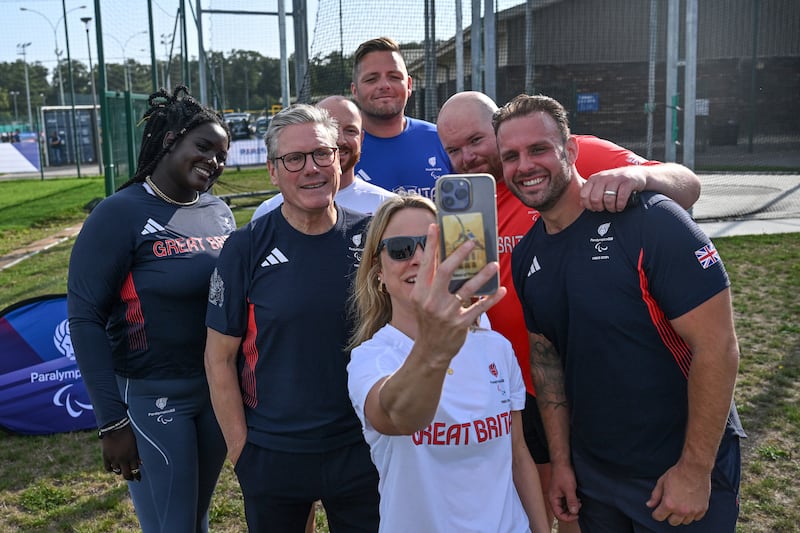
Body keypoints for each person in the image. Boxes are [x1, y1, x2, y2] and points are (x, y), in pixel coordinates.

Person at [437, 90, 702, 531]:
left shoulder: (567, 157)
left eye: (475, 141)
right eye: (453, 149)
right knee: (551, 504)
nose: (466, 157)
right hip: (522, 386)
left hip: (601, 387)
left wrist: (635, 179)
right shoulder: (464, 199)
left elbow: (687, 184)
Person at [494, 94, 745, 531]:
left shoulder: (651, 220)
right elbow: (548, 361)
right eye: (510, 156)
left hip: (672, 473)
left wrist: (694, 470)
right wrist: (563, 462)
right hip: (595, 477)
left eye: (538, 149)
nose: (524, 166)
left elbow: (718, 346)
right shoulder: (528, 255)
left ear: (570, 151)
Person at [204, 104, 379, 532]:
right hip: (273, 452)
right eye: (294, 159)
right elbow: (218, 358)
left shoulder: (373, 236)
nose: (311, 169)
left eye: (322, 154)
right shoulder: (246, 247)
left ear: (339, 159)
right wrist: (241, 450)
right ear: (272, 171)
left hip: (361, 448)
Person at [67, 86, 234, 532]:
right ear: (169, 141)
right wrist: (111, 422)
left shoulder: (219, 212)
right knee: (174, 524)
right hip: (152, 395)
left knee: (194, 518)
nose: (214, 162)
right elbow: (84, 319)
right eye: (204, 148)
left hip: (216, 391)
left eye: (222, 154)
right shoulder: (118, 213)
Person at [346, 194, 550, 533]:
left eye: (431, 244)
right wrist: (434, 347)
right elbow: (399, 417)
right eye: (400, 249)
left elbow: (517, 455)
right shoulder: (372, 358)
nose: (420, 259)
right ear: (378, 272)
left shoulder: (496, 348)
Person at [252, 95, 395, 220]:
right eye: (295, 158)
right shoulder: (267, 212)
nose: (340, 140)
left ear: (362, 138)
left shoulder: (388, 206)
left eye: (350, 130)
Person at [350, 37, 451, 197]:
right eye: (371, 79)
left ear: (409, 85)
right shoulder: (343, 151)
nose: (384, 85)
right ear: (355, 91)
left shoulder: (442, 139)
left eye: (394, 77)